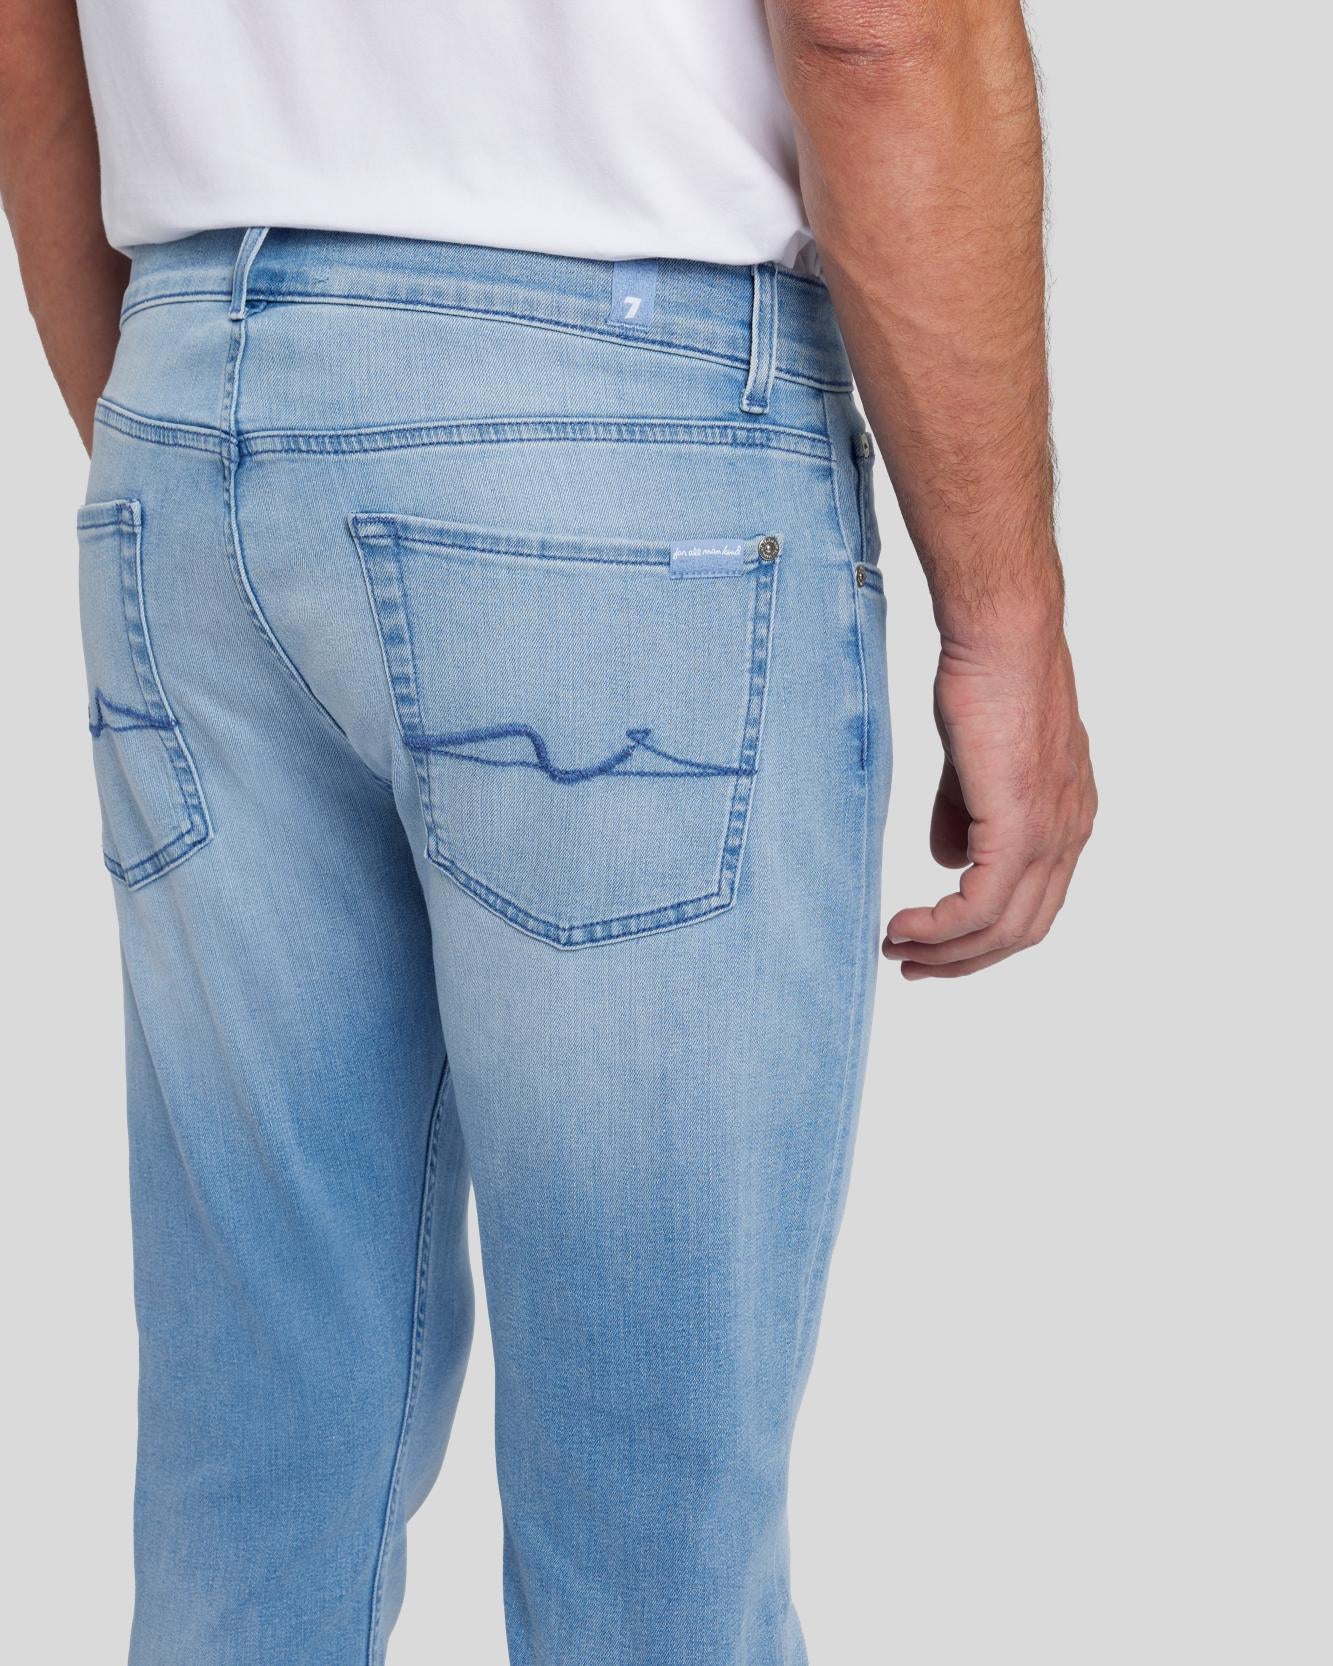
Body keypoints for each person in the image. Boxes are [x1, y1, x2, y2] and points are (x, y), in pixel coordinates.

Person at [0, 0, 1095, 1660]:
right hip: (612, 427)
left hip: (190, 395)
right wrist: (1005, 617)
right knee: (646, 1532)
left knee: (256, 1478)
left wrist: (210, 452)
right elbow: (876, 28)